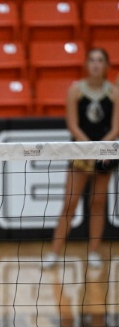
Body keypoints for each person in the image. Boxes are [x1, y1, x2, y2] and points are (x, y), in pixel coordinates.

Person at [44, 47, 119, 269]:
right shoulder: (75, 90)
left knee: (98, 203)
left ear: (106, 65)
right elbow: (72, 124)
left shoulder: (114, 93)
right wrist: (87, 147)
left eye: (100, 60)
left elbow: (116, 127)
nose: (96, 64)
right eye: (92, 60)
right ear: (86, 64)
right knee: (70, 203)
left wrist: (100, 148)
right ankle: (54, 253)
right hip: (80, 153)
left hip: (104, 154)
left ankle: (93, 251)